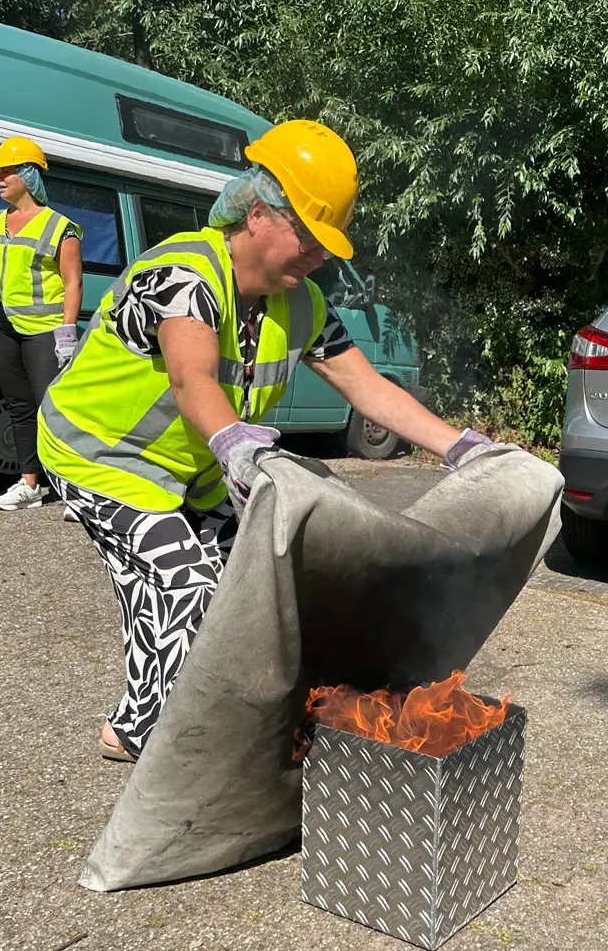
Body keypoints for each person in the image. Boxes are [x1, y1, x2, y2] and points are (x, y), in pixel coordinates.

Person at [37, 120, 502, 762]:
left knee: (261, 585)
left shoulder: (302, 302)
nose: (319, 256)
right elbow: (191, 377)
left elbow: (369, 390)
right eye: (309, 237)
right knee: (187, 587)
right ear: (258, 213)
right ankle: (148, 742)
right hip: (100, 458)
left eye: (327, 244)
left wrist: (462, 448)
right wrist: (234, 441)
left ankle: (198, 727)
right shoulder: (183, 273)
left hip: (194, 472)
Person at [0, 137, 83, 511]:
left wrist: (66, 334)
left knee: (54, 406)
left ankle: (74, 488)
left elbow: (72, 283)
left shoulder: (59, 227)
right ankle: (29, 483)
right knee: (18, 406)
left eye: (6, 172)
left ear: (28, 175)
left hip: (43, 330)